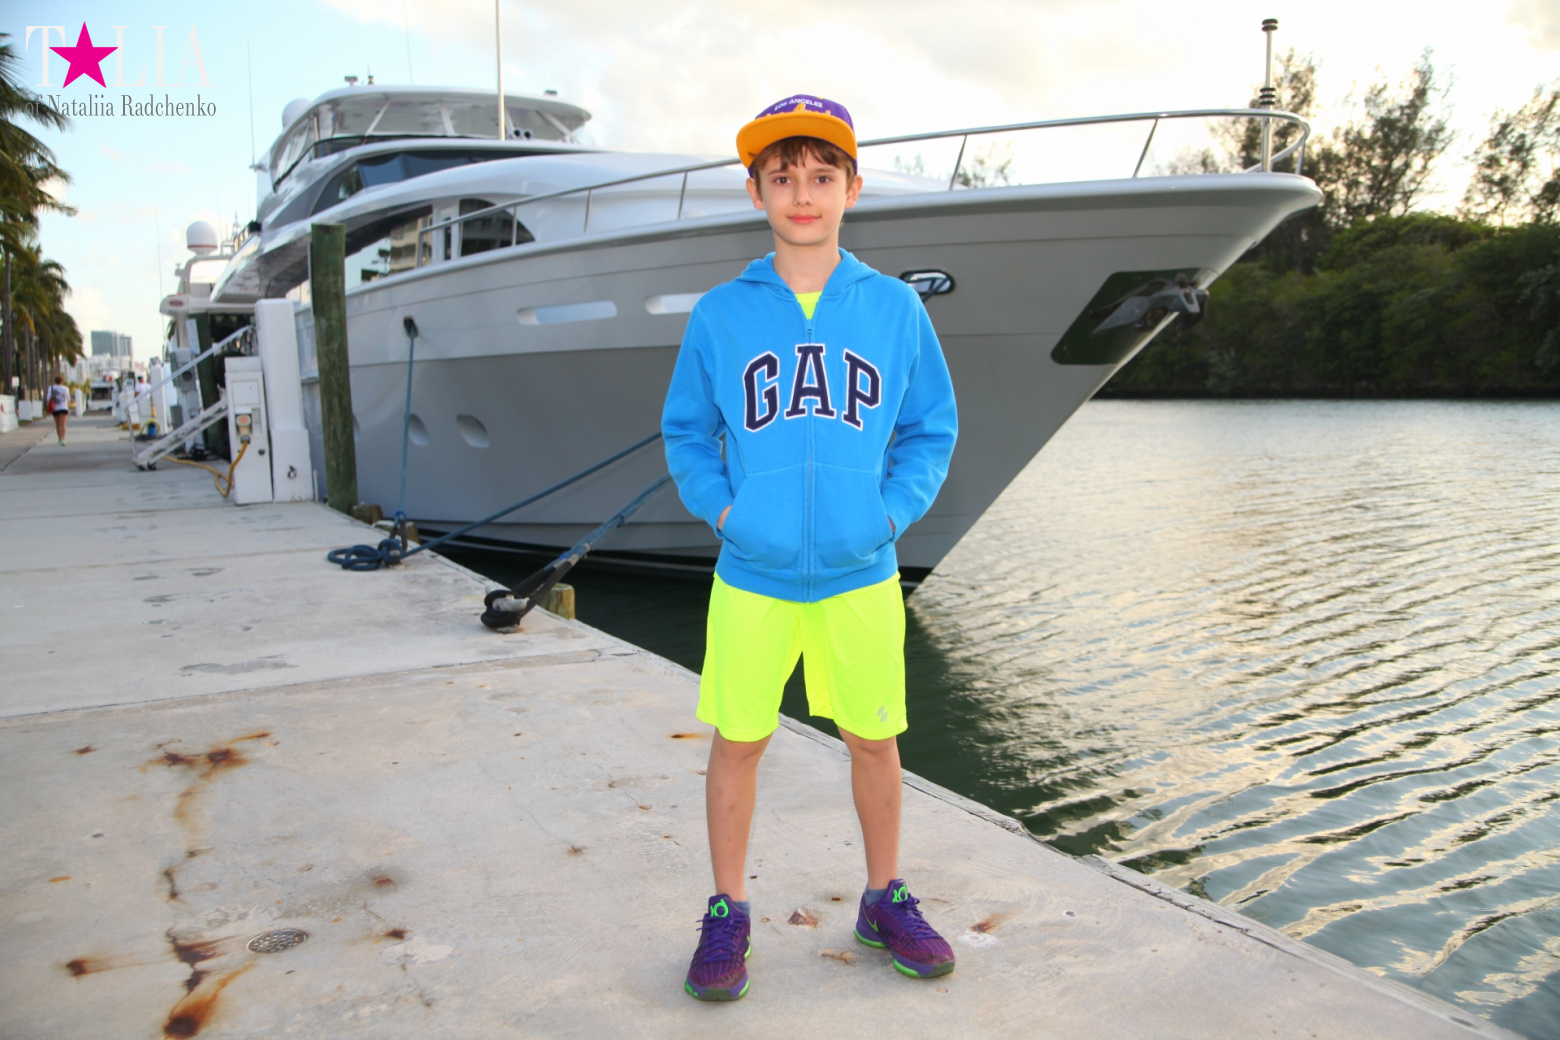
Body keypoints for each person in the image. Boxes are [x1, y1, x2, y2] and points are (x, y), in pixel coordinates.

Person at [662, 94, 959, 1002]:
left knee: (874, 739)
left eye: (821, 177)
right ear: (755, 191)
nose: (803, 194)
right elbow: (685, 433)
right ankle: (727, 911)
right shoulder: (722, 314)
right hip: (752, 573)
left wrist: (889, 516)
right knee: (739, 741)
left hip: (859, 571)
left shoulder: (895, 309)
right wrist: (724, 513)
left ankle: (882, 897)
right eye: (783, 177)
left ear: (852, 189)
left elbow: (929, 429)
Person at [45, 374, 70, 446]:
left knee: (58, 424)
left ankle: (60, 439)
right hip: (64, 408)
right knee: (63, 424)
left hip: (55, 408)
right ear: (62, 381)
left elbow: (48, 398)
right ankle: (64, 439)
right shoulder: (66, 389)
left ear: (55, 381)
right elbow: (68, 399)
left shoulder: (51, 388)